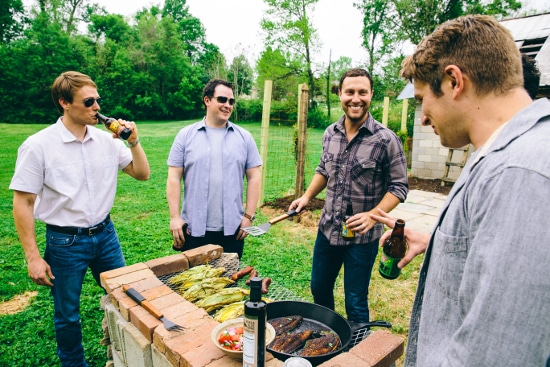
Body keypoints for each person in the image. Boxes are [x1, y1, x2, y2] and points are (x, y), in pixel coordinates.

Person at [371, 15, 550, 366]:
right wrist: (441, 243)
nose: (422, 116)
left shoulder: (520, 172)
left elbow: (497, 352)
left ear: (454, 81)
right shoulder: (500, 151)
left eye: (423, 98)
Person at [10, 71, 150, 366]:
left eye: (97, 100)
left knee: (128, 298)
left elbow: (142, 174)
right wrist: (33, 257)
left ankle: (129, 354)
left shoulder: (107, 141)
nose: (97, 107)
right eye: (88, 101)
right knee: (67, 315)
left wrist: (134, 143)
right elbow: (23, 202)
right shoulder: (39, 145)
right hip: (64, 241)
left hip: (105, 235)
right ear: (64, 102)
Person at [289, 68, 408, 326]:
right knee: (319, 289)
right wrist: (306, 197)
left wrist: (372, 216)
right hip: (329, 229)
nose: (356, 98)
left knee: (355, 300)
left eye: (362, 92)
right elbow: (324, 169)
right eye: (350, 92)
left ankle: (358, 355)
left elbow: (399, 186)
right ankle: (326, 337)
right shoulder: (330, 133)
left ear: (371, 94)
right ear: (340, 94)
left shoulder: (386, 139)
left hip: (362, 238)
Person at [167, 79, 261, 258]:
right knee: (192, 283)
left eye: (231, 101)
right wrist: (174, 217)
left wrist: (248, 217)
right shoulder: (185, 136)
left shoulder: (245, 138)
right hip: (193, 230)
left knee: (229, 282)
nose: (228, 105)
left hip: (233, 231)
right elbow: (173, 177)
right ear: (207, 100)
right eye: (222, 100)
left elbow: (254, 177)